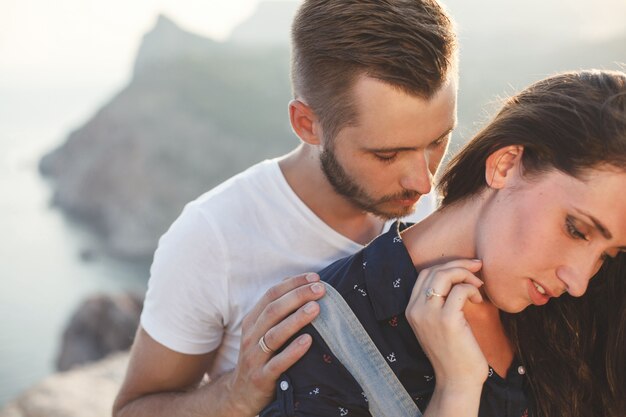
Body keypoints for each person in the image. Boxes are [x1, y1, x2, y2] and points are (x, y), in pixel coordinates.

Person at [113, 1, 458, 416]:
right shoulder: (211, 238)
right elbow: (132, 409)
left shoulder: (431, 204)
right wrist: (233, 396)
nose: (423, 182)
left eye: (438, 140)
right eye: (387, 155)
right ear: (307, 124)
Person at [260, 69, 626, 417]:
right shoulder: (326, 337)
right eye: (576, 230)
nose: (578, 282)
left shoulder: (596, 304)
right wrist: (457, 389)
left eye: (607, 255)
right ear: (506, 165)